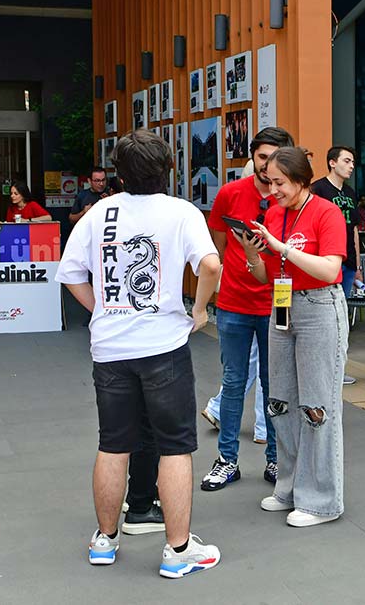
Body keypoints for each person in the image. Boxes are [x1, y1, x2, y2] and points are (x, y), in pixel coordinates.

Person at [57, 129, 223, 579]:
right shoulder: (181, 212)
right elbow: (210, 265)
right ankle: (178, 550)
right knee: (175, 447)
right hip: (163, 345)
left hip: (110, 348)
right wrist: (200, 309)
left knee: (113, 443)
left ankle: (105, 540)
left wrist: (101, 309)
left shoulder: (99, 212)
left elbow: (70, 273)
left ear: (119, 174)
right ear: (167, 169)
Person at [241, 146, 348, 528]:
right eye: (269, 182)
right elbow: (265, 276)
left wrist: (282, 247)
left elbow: (330, 269)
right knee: (281, 402)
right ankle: (289, 488)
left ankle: (321, 501)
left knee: (317, 405)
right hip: (283, 305)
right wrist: (253, 253)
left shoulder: (327, 212)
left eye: (280, 183)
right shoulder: (274, 214)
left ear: (302, 180)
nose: (272, 191)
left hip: (320, 307)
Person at [201, 127, 294, 492]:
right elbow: (219, 243)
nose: (267, 166)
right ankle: (227, 460)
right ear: (252, 158)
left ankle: (275, 458)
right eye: (261, 158)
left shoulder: (291, 199)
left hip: (278, 301)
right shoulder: (230, 193)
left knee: (275, 384)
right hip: (235, 301)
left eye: (275, 159)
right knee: (234, 381)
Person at [311, 146, 362, 386]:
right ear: (332, 162)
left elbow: (354, 229)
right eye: (346, 161)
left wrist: (358, 263)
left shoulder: (350, 193)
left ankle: (339, 368)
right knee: (325, 317)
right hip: (327, 260)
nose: (351, 166)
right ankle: (325, 368)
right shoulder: (318, 189)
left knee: (341, 317)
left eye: (352, 162)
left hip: (348, 261)